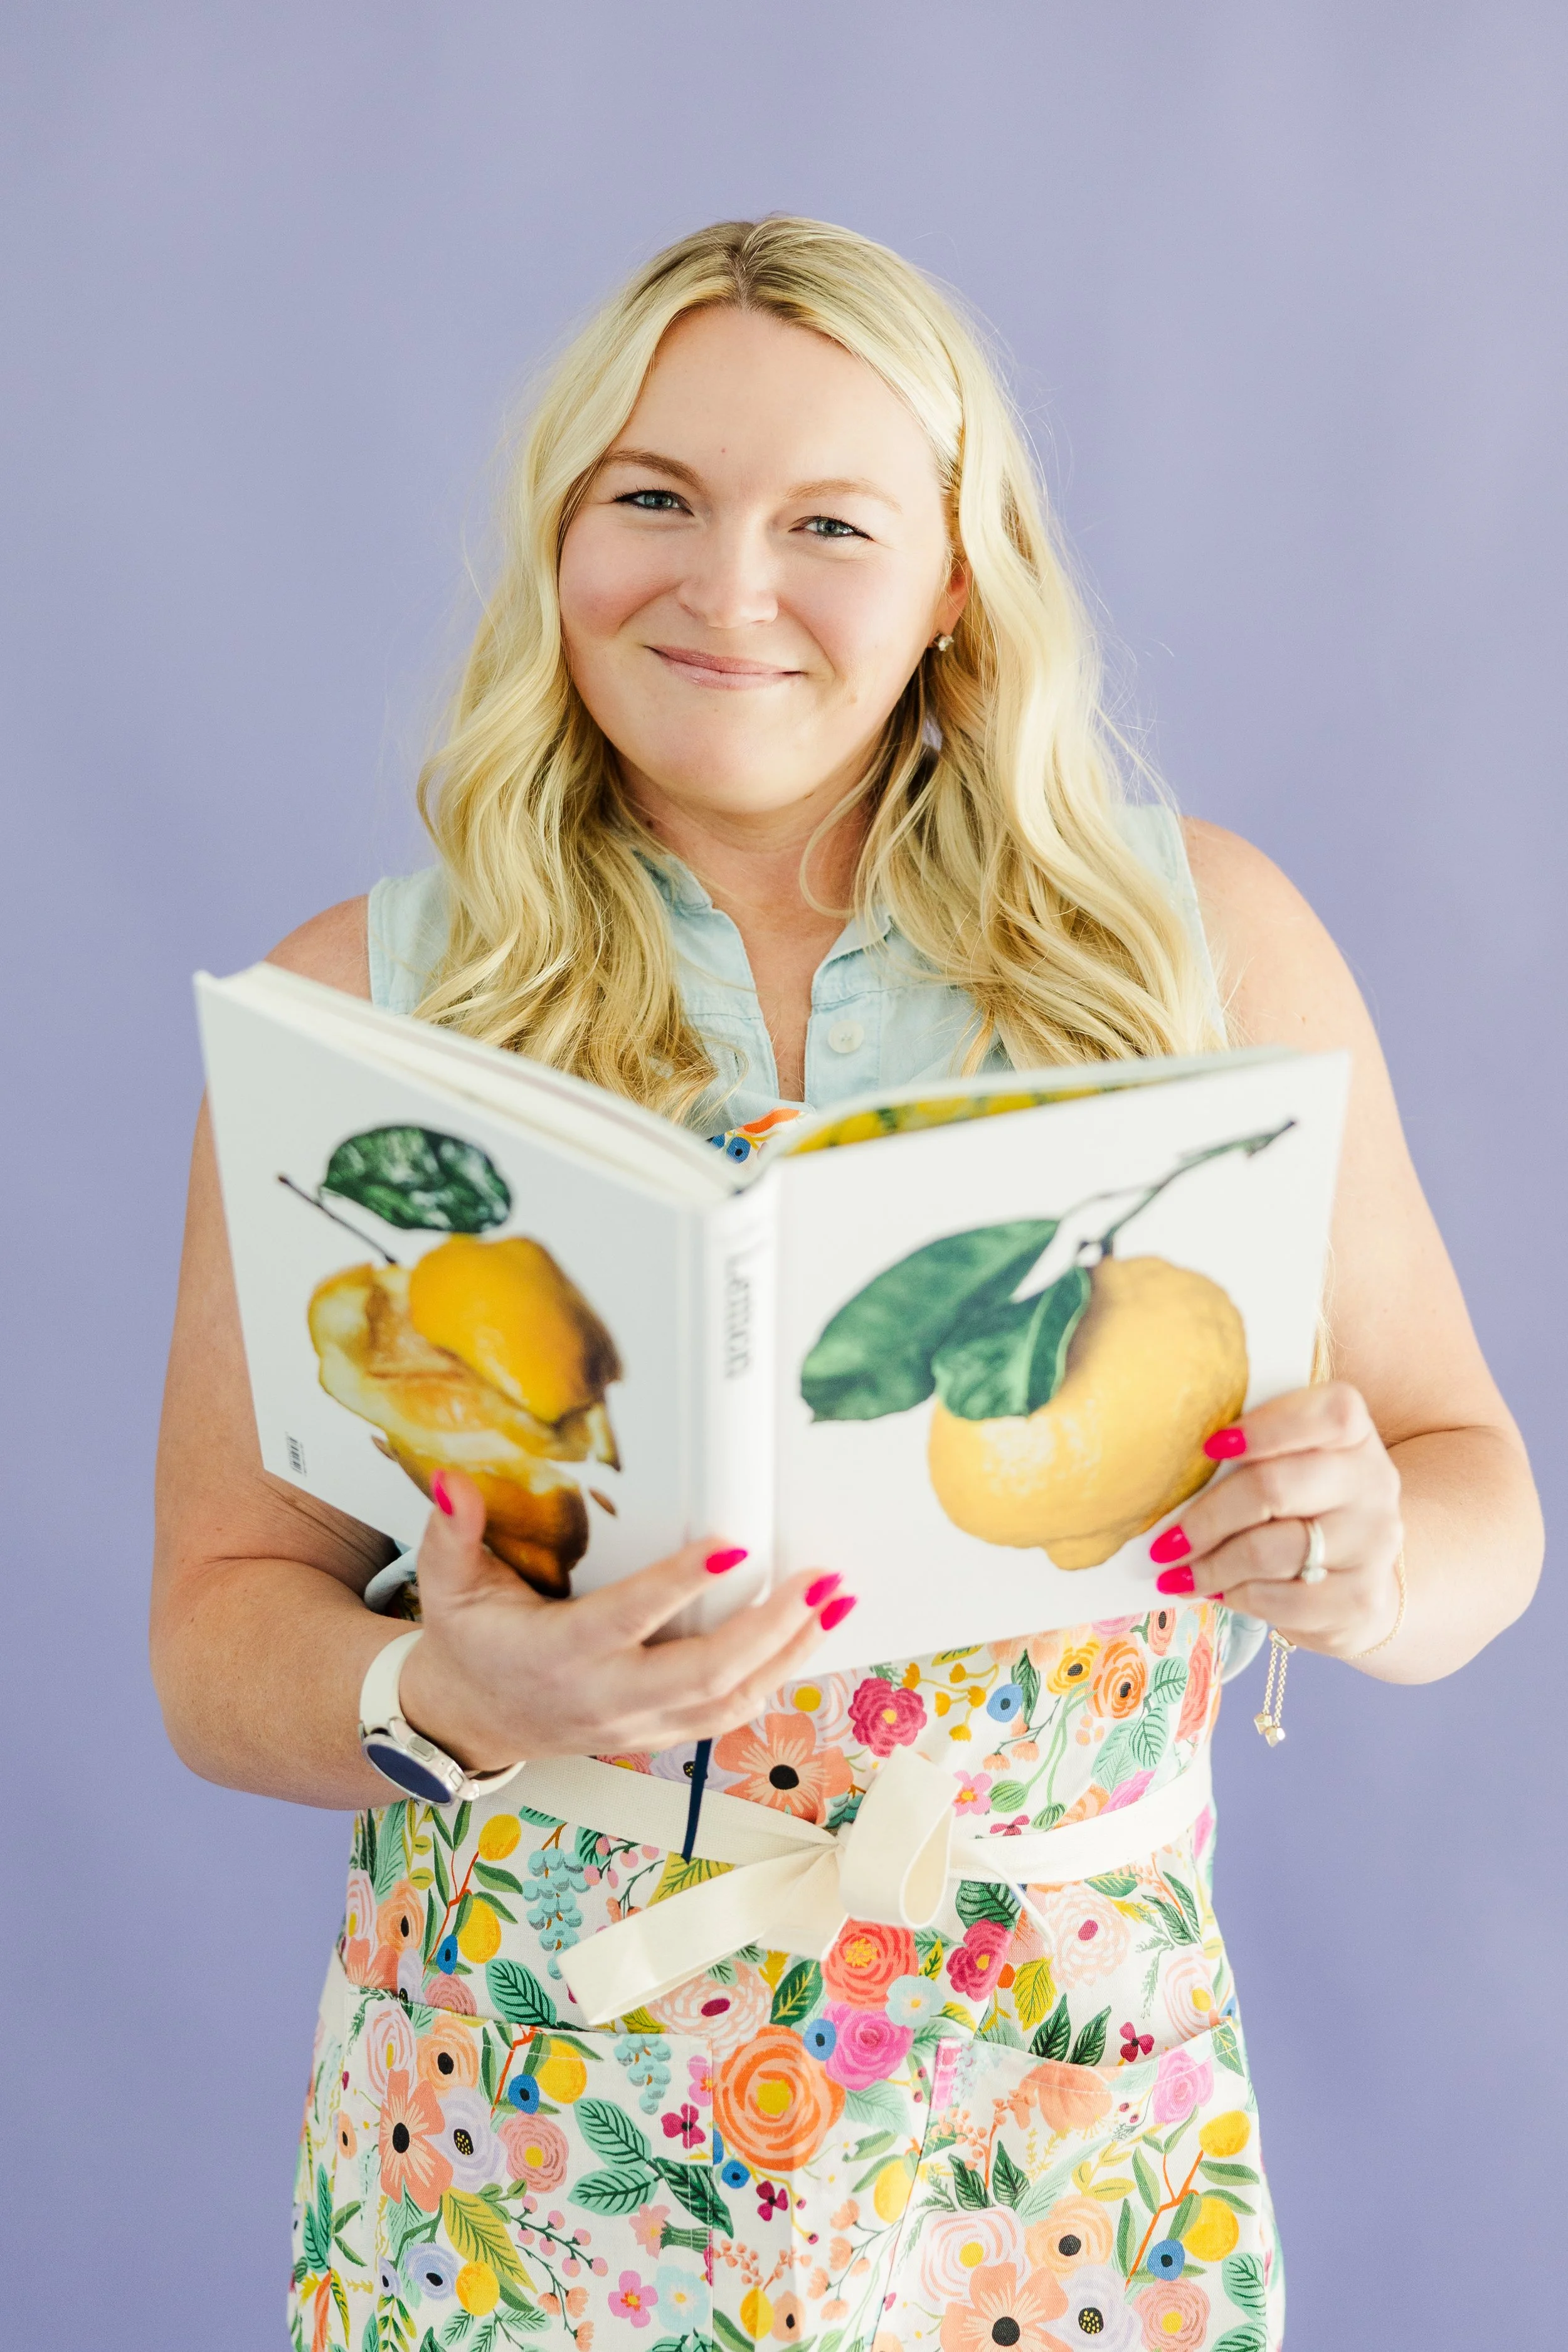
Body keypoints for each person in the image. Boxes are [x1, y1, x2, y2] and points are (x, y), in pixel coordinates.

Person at [152, 218, 1540, 2352]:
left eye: (828, 521)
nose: (726, 591)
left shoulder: (1198, 949)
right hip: (529, 2101)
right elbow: (218, 1626)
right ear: (556, 533)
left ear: (954, 580)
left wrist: (1366, 1564)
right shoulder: (371, 1009)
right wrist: (441, 1697)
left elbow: (1475, 1509)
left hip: (1059, 2096)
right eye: (653, 500)